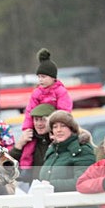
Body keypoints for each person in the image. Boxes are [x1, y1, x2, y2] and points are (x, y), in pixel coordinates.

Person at [18, 49, 73, 179]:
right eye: (39, 77)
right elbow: (29, 112)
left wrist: (55, 128)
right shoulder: (36, 92)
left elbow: (64, 112)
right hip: (40, 130)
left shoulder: (61, 92)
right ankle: (26, 168)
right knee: (29, 146)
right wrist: (28, 128)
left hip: (54, 127)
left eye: (43, 77)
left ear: (53, 77)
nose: (40, 80)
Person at [10, 103, 55, 186]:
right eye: (36, 119)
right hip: (35, 191)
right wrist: (19, 145)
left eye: (43, 120)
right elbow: (8, 165)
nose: (39, 124)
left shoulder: (57, 141)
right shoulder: (29, 142)